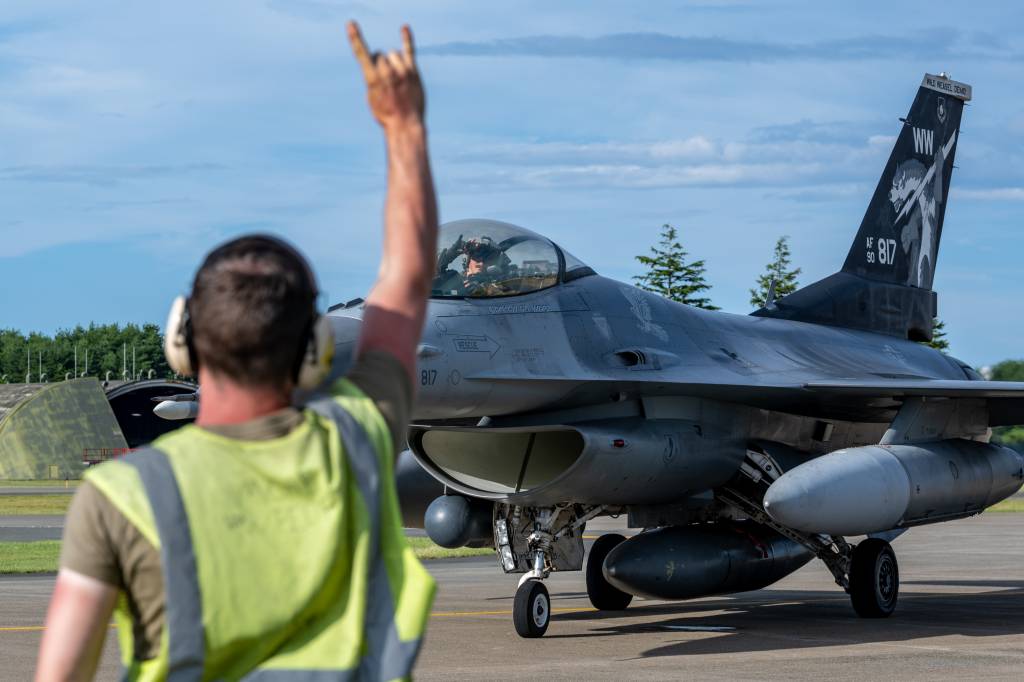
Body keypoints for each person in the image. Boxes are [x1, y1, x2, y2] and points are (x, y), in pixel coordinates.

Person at [35, 20, 438, 681]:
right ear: (312, 347)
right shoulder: (356, 444)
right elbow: (406, 281)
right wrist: (405, 127)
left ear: (181, 340)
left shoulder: (119, 494)